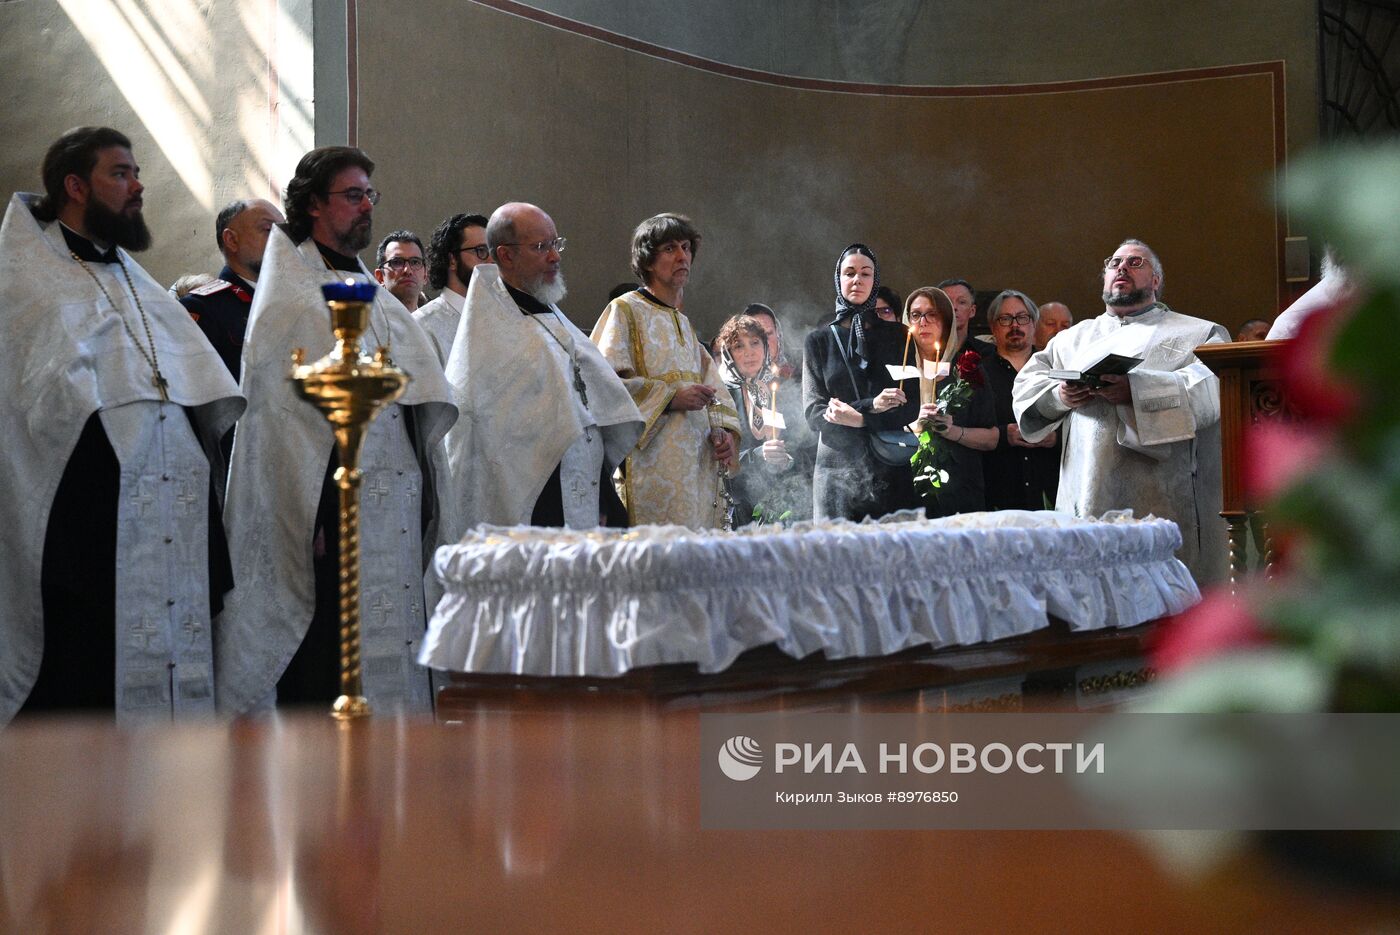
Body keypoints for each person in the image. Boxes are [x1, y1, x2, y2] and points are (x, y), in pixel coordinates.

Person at [0, 126, 243, 724]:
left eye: (135, 173)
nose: (138, 187)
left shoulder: (138, 283)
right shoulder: (26, 282)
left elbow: (193, 392)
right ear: (75, 186)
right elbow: (29, 412)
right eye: (121, 173)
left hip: (173, 522)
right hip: (83, 544)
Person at [214, 146, 457, 715]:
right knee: (329, 655)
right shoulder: (294, 291)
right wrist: (314, 514)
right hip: (329, 518)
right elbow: (286, 423)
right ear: (314, 205)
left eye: (370, 195)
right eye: (353, 195)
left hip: (391, 505)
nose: (366, 206)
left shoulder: (367, 287)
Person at [1013, 239, 1229, 583]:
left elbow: (1213, 389)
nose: (1122, 268)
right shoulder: (1072, 339)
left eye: (1135, 262)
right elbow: (1027, 385)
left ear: (1156, 280)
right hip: (1087, 491)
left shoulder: (1198, 333)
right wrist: (1060, 396)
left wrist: (1136, 390)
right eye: (1114, 263)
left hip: (1161, 498)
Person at [439, 201, 642, 532]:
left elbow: (588, 405)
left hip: (581, 490)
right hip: (533, 506)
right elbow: (493, 439)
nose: (555, 256)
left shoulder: (550, 317)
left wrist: (603, 494)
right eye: (540, 247)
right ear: (506, 255)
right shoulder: (490, 333)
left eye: (555, 244)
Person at [591, 213, 740, 528]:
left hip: (697, 471)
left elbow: (715, 392)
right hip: (650, 469)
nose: (682, 256)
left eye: (686, 248)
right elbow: (602, 384)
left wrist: (724, 434)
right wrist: (670, 397)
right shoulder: (625, 310)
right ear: (647, 260)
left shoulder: (684, 323)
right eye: (670, 248)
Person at [802, 244, 912, 521]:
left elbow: (912, 406)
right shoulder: (818, 340)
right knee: (837, 560)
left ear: (875, 281)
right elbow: (814, 412)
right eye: (849, 272)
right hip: (836, 473)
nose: (857, 280)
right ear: (838, 279)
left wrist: (861, 419)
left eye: (866, 273)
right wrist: (871, 406)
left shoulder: (900, 336)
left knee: (892, 558)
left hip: (890, 465)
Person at [888, 286, 997, 516]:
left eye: (932, 314)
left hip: (959, 490)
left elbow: (992, 438)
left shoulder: (967, 369)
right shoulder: (894, 370)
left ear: (946, 320)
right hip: (904, 489)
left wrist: (952, 431)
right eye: (916, 315)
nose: (923, 322)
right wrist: (913, 424)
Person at [716, 314, 815, 525]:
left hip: (789, 502)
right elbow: (716, 460)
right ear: (728, 353)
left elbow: (806, 445)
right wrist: (756, 455)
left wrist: (788, 459)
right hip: (739, 505)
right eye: (738, 346)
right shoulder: (721, 397)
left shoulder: (785, 388)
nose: (749, 353)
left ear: (766, 348)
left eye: (755, 343)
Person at [180, 198, 284, 377]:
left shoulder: (288, 299)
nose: (282, 240)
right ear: (232, 240)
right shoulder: (203, 308)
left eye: (284, 231)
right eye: (269, 230)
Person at [980, 289, 1059, 511]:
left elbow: (1079, 421)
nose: (1015, 325)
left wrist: (1056, 438)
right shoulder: (976, 374)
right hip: (998, 490)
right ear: (993, 327)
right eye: (1005, 319)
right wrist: (1004, 435)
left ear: (1034, 325)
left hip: (1049, 488)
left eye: (1022, 318)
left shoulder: (1055, 369)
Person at [415, 213, 490, 366]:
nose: (491, 260)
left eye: (492, 251)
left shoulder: (498, 317)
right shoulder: (421, 325)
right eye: (481, 251)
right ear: (452, 260)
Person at [936, 277, 995, 355]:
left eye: (961, 302)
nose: (954, 307)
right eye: (947, 301)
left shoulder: (988, 352)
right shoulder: (924, 350)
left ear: (972, 311)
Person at [373, 229, 427, 312]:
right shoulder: (367, 319)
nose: (408, 271)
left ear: (425, 275)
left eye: (415, 262)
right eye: (397, 262)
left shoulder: (438, 318)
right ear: (380, 276)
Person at [742, 302, 797, 379]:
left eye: (768, 333)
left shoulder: (801, 363)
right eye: (757, 336)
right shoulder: (736, 376)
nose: (765, 342)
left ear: (778, 334)